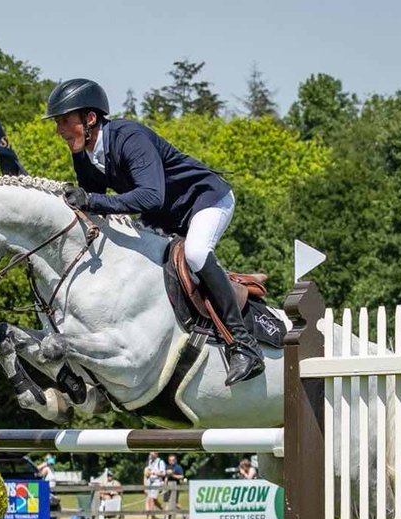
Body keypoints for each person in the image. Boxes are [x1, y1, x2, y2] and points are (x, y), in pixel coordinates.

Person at [44, 78, 264, 386]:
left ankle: (244, 346)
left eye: (65, 121)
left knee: (197, 253)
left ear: (90, 118)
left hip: (204, 201)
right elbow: (97, 207)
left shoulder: (129, 137)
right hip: (164, 216)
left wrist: (91, 199)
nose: (59, 130)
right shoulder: (83, 152)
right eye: (57, 122)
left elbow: (150, 196)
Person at [143, 451, 166, 519]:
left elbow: (163, 473)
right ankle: (165, 511)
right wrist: (148, 474)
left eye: (152, 454)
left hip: (157, 481)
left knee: (152, 498)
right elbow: (148, 472)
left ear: (156, 454)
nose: (150, 455)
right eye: (150, 454)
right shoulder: (150, 462)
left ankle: (151, 516)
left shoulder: (160, 462)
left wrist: (154, 473)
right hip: (150, 482)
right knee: (154, 500)